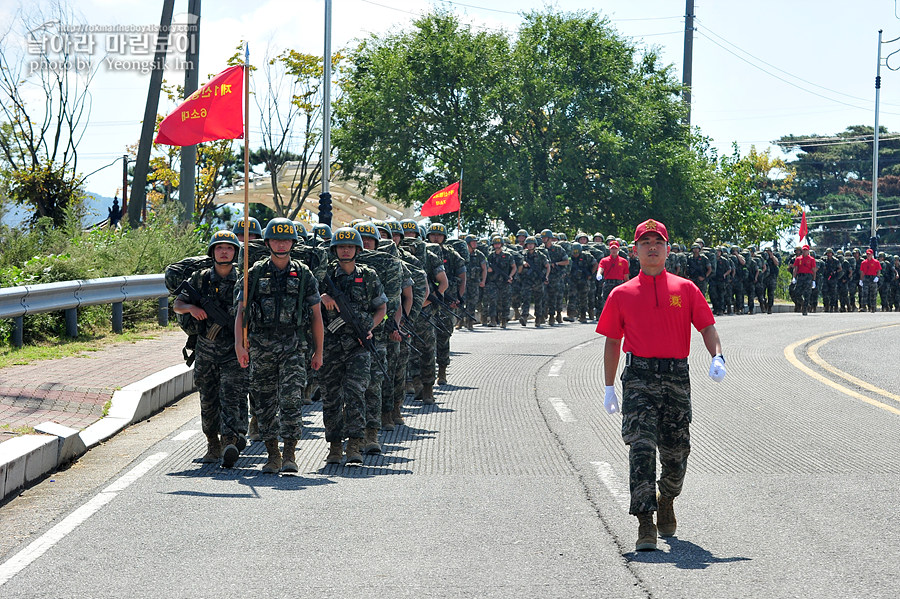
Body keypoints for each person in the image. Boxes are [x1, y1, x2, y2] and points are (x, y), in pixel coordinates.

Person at [597, 218, 725, 552]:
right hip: (639, 378)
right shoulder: (621, 294)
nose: (652, 248)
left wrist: (717, 356)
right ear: (635, 251)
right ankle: (645, 523)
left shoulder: (685, 289)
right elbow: (612, 341)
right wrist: (610, 387)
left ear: (668, 249)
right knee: (641, 448)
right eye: (645, 243)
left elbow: (707, 327)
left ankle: (666, 497)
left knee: (677, 452)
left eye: (658, 242)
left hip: (675, 378)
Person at [234, 218, 324, 473]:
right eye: (276, 239)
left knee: (291, 400)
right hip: (261, 347)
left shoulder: (304, 273)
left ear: (293, 243)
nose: (281, 244)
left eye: (286, 240)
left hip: (294, 347)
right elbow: (241, 312)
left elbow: (316, 315)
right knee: (263, 402)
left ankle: (290, 454)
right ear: (267, 242)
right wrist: (240, 346)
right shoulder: (255, 273)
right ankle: (272, 454)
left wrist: (319, 350)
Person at [173, 230, 248, 467]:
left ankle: (229, 440)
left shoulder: (243, 279)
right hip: (206, 348)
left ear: (235, 252)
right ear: (212, 252)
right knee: (208, 398)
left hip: (233, 349)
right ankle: (212, 443)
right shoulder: (200, 278)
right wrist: (192, 309)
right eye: (219, 248)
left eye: (228, 248)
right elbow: (177, 304)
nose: (224, 252)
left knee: (231, 395)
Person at [319, 227, 388, 465]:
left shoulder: (368, 275)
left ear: (357, 249)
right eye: (341, 246)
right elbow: (307, 300)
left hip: (359, 345)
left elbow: (381, 308)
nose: (345, 249)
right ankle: (335, 446)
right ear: (335, 249)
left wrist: (370, 327)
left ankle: (355, 444)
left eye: (350, 246)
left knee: (356, 393)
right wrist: (323, 298)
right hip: (331, 345)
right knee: (331, 396)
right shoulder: (324, 275)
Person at [791, 244, 817, 316]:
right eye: (803, 250)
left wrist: (814, 280)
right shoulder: (798, 259)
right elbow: (795, 268)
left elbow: (814, 270)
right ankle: (803, 303)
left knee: (807, 293)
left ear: (808, 251)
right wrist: (794, 277)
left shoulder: (811, 259)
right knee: (797, 292)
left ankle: (805, 309)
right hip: (800, 276)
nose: (804, 252)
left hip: (808, 276)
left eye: (806, 250)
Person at [858, 248, 882, 313]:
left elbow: (879, 270)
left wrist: (877, 277)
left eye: (870, 254)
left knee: (873, 294)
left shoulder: (876, 262)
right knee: (864, 293)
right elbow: (862, 272)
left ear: (872, 254)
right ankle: (863, 307)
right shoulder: (863, 262)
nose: (868, 255)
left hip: (873, 278)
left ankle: (873, 307)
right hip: (866, 278)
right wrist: (861, 280)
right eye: (867, 254)